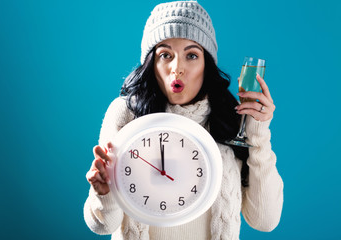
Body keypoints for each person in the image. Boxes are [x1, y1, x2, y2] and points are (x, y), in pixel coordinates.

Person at [84, 1, 283, 239]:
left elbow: (265, 220)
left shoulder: (230, 118)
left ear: (206, 64)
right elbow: (102, 225)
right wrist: (104, 192)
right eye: (165, 55)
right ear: (151, 63)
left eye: (191, 55)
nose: (177, 68)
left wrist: (258, 131)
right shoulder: (126, 115)